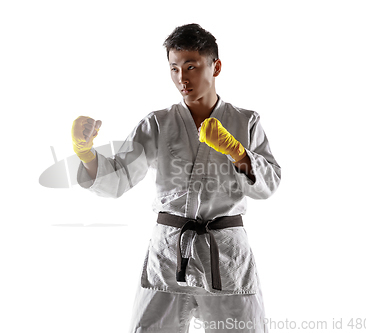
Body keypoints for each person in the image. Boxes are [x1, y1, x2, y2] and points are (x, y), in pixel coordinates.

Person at [71, 23, 281, 333]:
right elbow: (121, 177)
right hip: (169, 251)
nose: (182, 78)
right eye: (174, 68)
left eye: (191, 66)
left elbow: (270, 184)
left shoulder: (245, 121)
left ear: (216, 66)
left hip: (225, 251)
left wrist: (237, 152)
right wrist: (86, 153)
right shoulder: (158, 123)